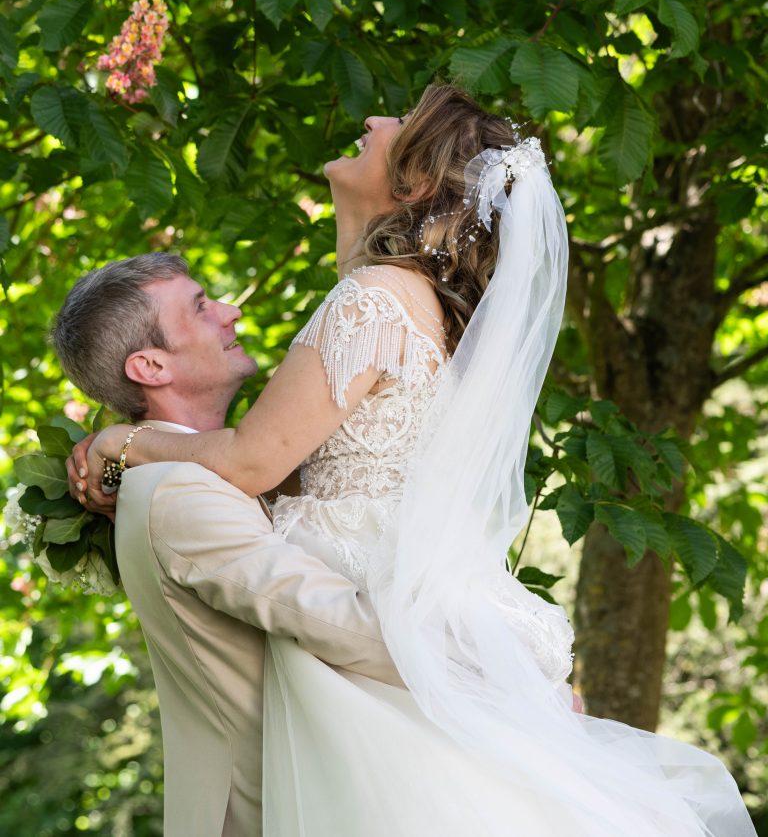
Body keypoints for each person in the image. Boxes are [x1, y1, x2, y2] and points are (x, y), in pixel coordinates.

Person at [73, 85, 756, 835]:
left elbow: (251, 461)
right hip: (389, 614)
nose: (372, 119)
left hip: (380, 621)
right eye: (202, 306)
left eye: (396, 126)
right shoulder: (408, 300)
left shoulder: (371, 298)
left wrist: (120, 444)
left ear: (416, 183)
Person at [51, 253, 402, 837]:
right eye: (200, 306)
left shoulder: (195, 476)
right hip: (283, 810)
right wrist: (505, 671)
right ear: (151, 365)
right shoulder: (179, 493)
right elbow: (344, 624)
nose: (231, 311)